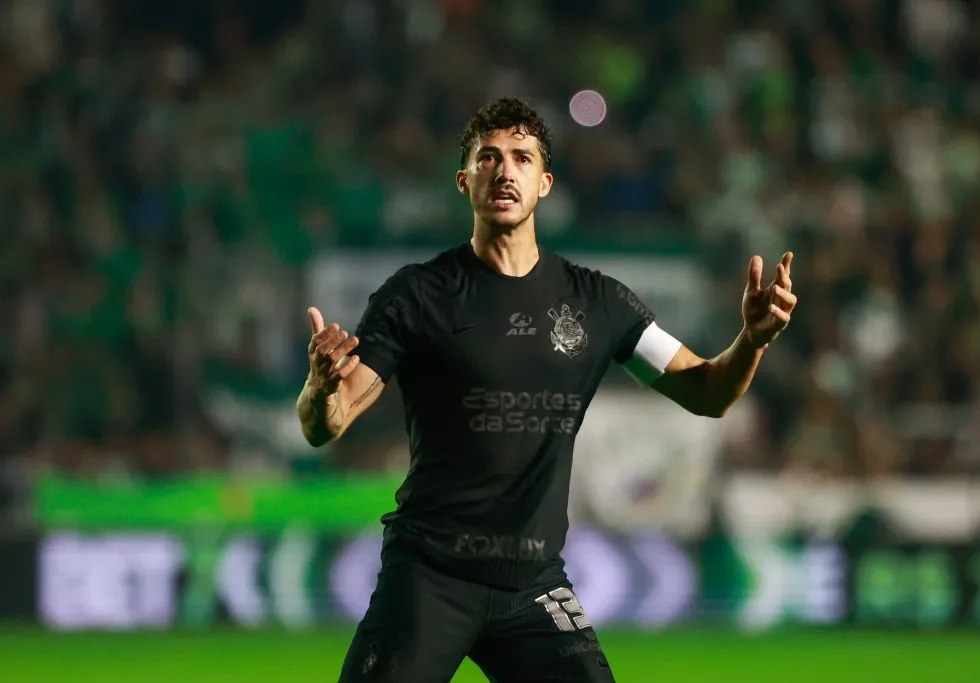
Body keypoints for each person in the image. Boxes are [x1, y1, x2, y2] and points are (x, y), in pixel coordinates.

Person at [297, 97, 798, 683]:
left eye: (522, 158)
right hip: (429, 577)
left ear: (545, 183)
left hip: (533, 585)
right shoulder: (416, 296)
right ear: (464, 181)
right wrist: (319, 389)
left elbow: (708, 393)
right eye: (488, 158)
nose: (505, 171)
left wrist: (751, 341)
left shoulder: (599, 303)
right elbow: (327, 422)